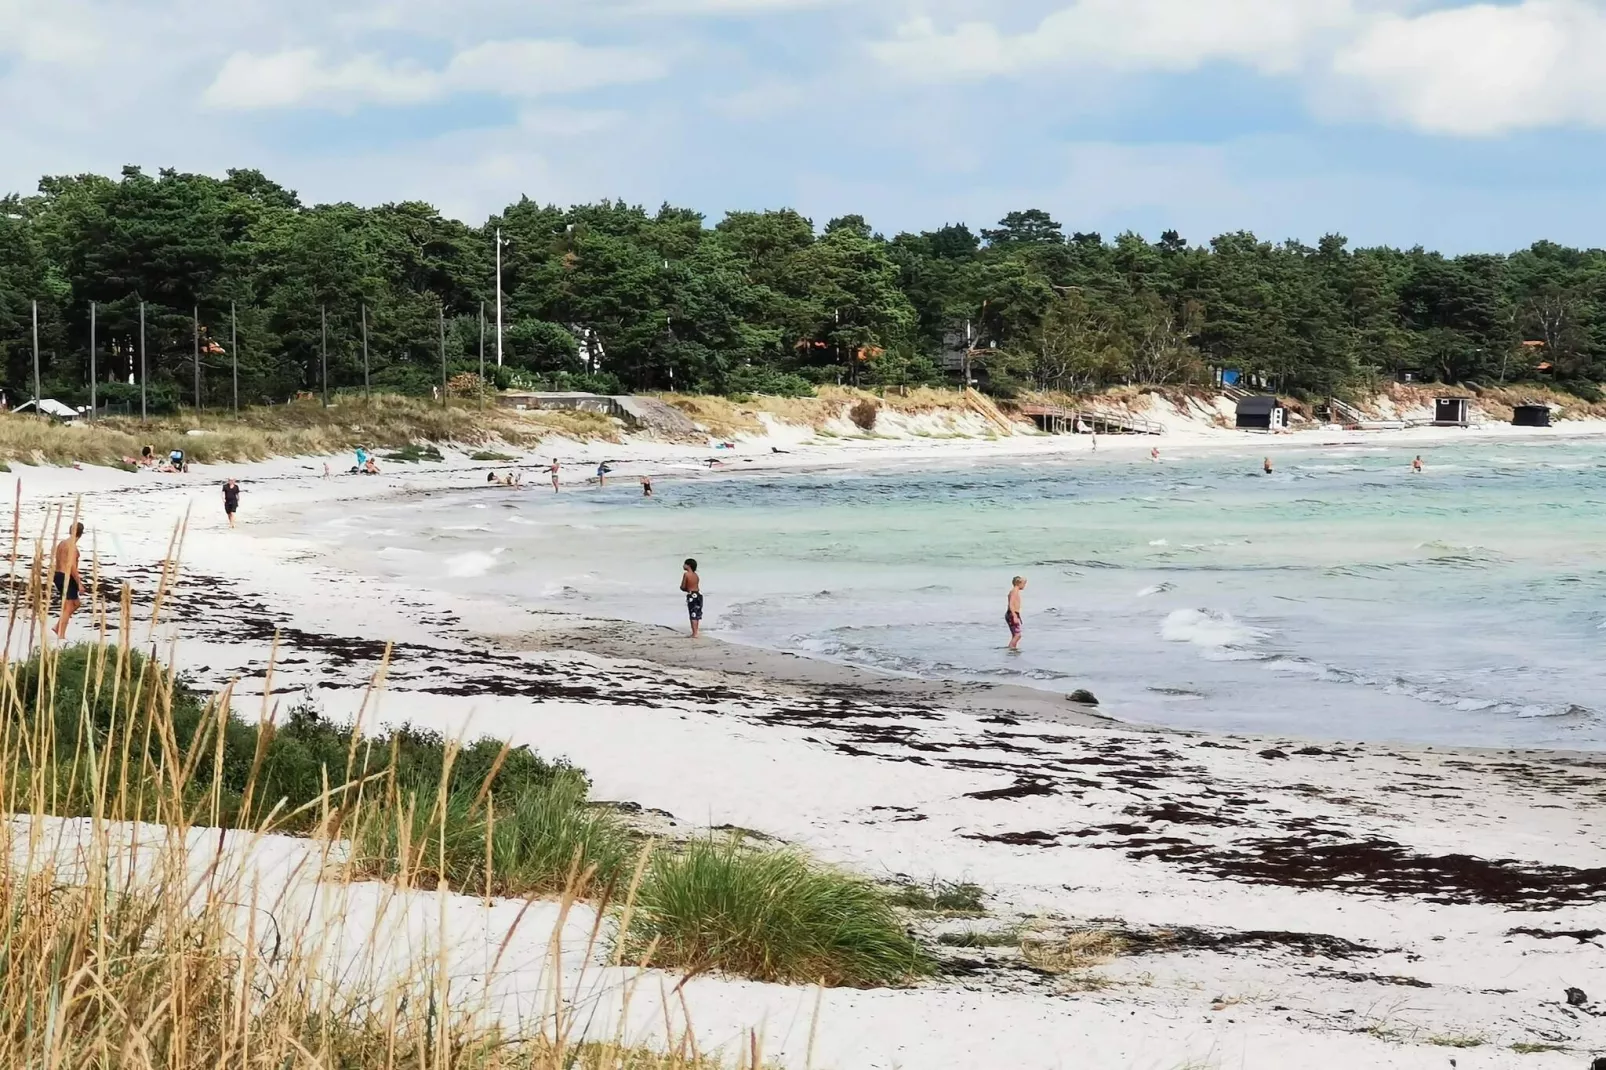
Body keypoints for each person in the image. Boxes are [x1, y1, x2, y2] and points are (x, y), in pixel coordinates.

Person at [51, 522, 85, 639]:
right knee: (69, 606)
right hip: (67, 576)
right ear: (81, 534)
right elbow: (72, 567)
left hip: (57, 575)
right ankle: (61, 634)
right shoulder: (73, 548)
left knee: (76, 603)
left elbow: (58, 559)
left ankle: (57, 626)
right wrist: (79, 583)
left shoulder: (62, 544)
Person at [680, 558, 703, 639]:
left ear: (688, 565)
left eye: (684, 564)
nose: (683, 565)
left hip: (691, 595)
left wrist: (684, 589)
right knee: (697, 614)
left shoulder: (686, 574)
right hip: (698, 594)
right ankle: (696, 631)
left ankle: (694, 633)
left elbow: (683, 587)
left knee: (692, 614)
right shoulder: (696, 575)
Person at [1005, 575, 1027, 652]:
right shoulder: (1014, 591)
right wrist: (1014, 615)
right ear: (1019, 583)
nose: (1024, 586)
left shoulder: (1015, 591)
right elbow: (1011, 604)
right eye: (1024, 584)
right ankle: (1010, 649)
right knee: (1018, 635)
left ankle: (1013, 650)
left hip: (1012, 614)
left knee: (1015, 635)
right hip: (1012, 614)